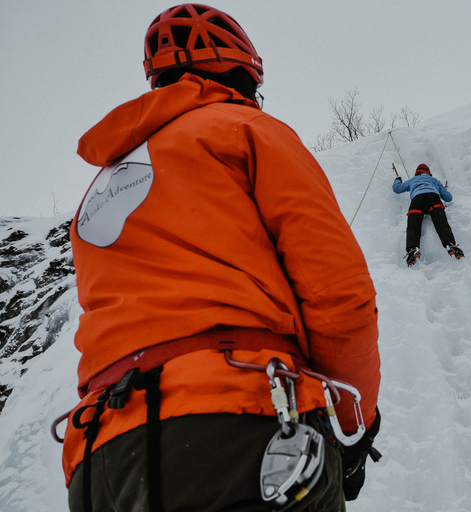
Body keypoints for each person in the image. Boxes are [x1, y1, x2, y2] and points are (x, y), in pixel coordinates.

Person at [61, 4, 381, 512]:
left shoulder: (102, 189)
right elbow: (338, 294)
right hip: (243, 422)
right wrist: (353, 426)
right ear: (247, 74)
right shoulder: (247, 129)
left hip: (104, 454)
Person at [392, 163, 464, 266]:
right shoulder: (435, 181)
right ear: (429, 172)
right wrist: (442, 190)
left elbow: (397, 189)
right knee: (441, 223)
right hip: (433, 199)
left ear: (417, 172)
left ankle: (413, 248)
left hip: (417, 201)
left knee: (413, 227)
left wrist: (397, 179)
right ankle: (449, 244)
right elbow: (448, 198)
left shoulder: (413, 180)